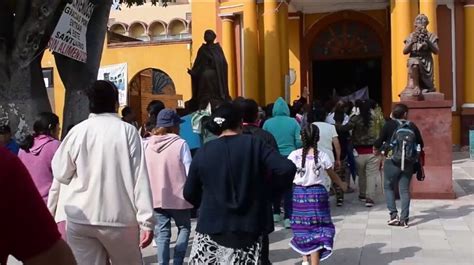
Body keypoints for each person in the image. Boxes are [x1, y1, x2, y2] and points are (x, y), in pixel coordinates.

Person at [51, 80, 154, 265]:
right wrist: (146, 220)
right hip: (120, 219)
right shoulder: (128, 132)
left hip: (81, 218)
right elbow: (140, 178)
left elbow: (60, 173)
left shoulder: (77, 132)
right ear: (116, 103)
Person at [184, 103, 296, 264]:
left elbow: (189, 192)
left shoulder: (204, 151)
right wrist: (269, 194)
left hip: (213, 224)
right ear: (240, 122)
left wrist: (207, 202)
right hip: (251, 224)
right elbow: (286, 168)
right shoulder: (254, 144)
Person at [0, 147, 77, 265]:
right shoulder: (5, 164)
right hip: (37, 206)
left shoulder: (21, 150)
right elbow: (55, 259)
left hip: (32, 202)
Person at [288, 124, 347, 265]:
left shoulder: (293, 155)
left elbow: (286, 174)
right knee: (317, 229)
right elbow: (332, 175)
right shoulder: (322, 156)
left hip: (299, 195)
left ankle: (305, 259)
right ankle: (314, 262)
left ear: (301, 138)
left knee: (303, 227)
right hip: (318, 196)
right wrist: (342, 184)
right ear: (318, 138)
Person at [145, 109, 192, 265]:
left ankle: (162, 263)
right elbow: (189, 170)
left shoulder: (147, 144)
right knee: (184, 228)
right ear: (174, 126)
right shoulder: (180, 144)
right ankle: (178, 261)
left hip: (156, 196)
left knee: (162, 233)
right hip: (179, 196)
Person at [235, 98, 278, 265]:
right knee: (262, 234)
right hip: (260, 192)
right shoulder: (265, 137)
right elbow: (277, 167)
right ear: (256, 116)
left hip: (235, 193)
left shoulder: (228, 138)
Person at [374, 104, 424, 228]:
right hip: (408, 162)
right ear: (405, 114)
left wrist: (379, 150)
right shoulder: (411, 126)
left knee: (388, 187)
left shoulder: (388, 125)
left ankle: (393, 215)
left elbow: (379, 142)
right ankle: (404, 219)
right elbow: (420, 143)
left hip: (391, 161)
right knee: (404, 190)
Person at [263, 97, 302, 228]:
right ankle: (288, 217)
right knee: (289, 188)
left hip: (272, 158)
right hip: (290, 158)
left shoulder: (268, 123)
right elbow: (298, 141)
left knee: (274, 186)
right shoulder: (293, 122)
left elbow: (264, 141)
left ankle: (275, 213)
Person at [337, 100, 384, 207]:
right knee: (371, 175)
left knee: (361, 174)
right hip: (373, 151)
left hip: (358, 152)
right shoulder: (376, 119)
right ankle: (370, 198)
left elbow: (344, 128)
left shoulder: (355, 119)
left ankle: (362, 194)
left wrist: (334, 125)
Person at [18, 112, 61, 204]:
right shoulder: (55, 145)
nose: (59, 129)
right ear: (51, 127)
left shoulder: (24, 148)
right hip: (49, 202)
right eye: (58, 126)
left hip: (25, 200)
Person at [187, 30, 231, 111]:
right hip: (203, 74)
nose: (206, 36)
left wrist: (213, 60)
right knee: (205, 76)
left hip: (215, 74)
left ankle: (216, 97)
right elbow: (198, 63)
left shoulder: (217, 49)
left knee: (208, 75)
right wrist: (194, 72)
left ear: (213, 37)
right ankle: (203, 99)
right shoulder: (202, 49)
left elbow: (223, 62)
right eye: (205, 35)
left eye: (209, 35)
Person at [325, 101, 353, 204]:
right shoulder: (346, 119)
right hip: (343, 150)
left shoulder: (329, 120)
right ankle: (340, 195)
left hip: (331, 149)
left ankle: (333, 190)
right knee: (341, 172)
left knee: (330, 172)